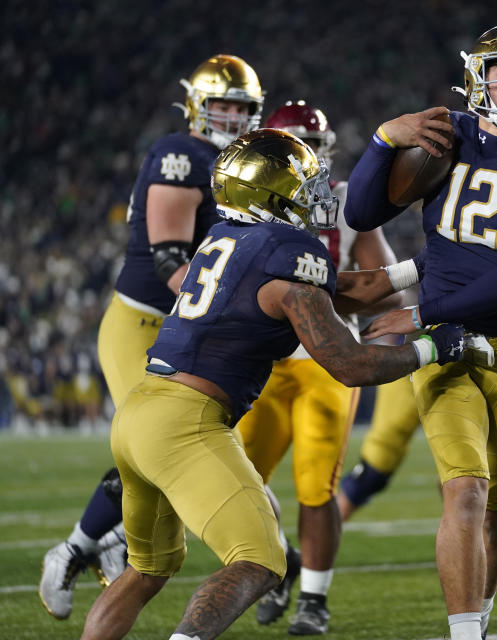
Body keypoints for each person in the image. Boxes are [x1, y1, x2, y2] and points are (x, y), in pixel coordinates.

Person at [79, 129, 468, 640]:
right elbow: (350, 364)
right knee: (259, 561)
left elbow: (336, 291)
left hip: (139, 414)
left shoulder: (225, 237)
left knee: (146, 570)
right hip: (188, 423)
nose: (316, 195)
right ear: (271, 195)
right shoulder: (287, 250)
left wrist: (418, 267)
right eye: (304, 185)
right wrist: (433, 347)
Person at [343, 22, 497, 640]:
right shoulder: (448, 133)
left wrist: (420, 308)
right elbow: (359, 213)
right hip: (446, 350)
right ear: (476, 79)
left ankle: (478, 616)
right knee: (464, 490)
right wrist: (384, 139)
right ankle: (464, 634)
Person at [39, 53, 265, 621]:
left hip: (189, 325)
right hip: (145, 321)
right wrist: (238, 309)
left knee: (169, 450)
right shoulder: (181, 153)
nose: (233, 117)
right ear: (196, 105)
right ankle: (73, 550)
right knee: (153, 446)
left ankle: (98, 543)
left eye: (243, 107)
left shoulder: (235, 163)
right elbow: (170, 258)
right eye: (223, 105)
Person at [234, 100, 404, 635]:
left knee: (315, 487)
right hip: (262, 361)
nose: (311, 159)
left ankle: (314, 597)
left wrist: (375, 306)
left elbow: (378, 277)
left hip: (324, 361)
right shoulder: (245, 203)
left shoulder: (346, 201)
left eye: (317, 147)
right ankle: (280, 561)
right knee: (239, 483)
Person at [337, 375, 420, 521]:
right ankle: (317, 540)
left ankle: (462, 538)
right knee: (373, 470)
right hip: (410, 368)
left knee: (461, 477)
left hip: (462, 368)